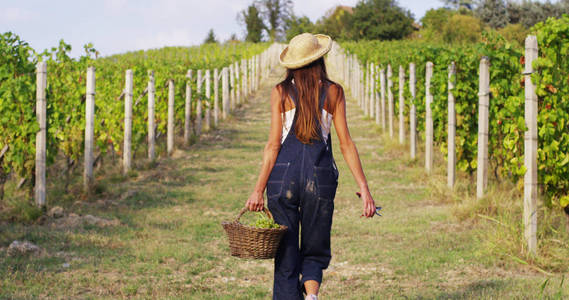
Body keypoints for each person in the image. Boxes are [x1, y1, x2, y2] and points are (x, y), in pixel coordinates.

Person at [245, 33, 378, 300]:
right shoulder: (333, 92)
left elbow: (273, 146)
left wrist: (258, 190)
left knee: (286, 254)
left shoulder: (280, 92)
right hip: (320, 179)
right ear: (319, 59)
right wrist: (364, 188)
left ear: (292, 64)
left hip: (283, 179)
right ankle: (312, 296)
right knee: (315, 247)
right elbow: (346, 144)